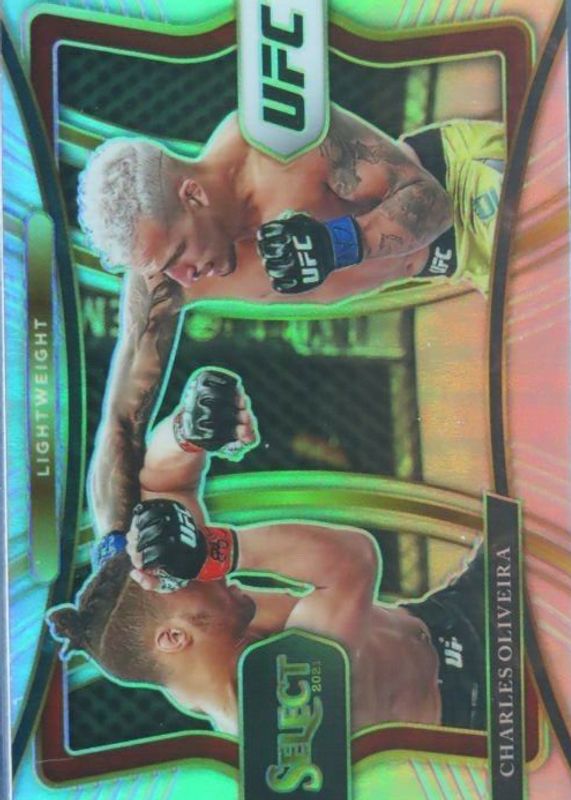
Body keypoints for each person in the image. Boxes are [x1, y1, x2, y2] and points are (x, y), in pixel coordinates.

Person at [83, 107, 505, 542]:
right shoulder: (165, 284)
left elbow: (431, 200)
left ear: (193, 195)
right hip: (457, 262)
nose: (184, 278)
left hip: (467, 185)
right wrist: (113, 550)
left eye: (179, 253)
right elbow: (120, 423)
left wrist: (336, 243)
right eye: (164, 268)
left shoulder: (276, 140)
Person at [48, 370, 485, 735]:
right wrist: (212, 549)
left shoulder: (185, 619)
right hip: (479, 706)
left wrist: (190, 430)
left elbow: (163, 484)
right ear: (174, 638)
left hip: (448, 612)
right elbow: (354, 563)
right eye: (195, 576)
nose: (214, 575)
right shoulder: (272, 705)